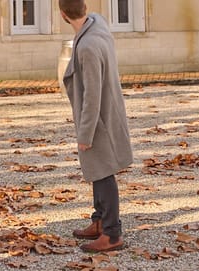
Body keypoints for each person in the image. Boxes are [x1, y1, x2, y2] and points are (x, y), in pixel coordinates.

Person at [59, 0, 133, 252]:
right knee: (97, 169)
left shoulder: (88, 47)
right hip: (108, 112)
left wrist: (85, 133)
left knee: (103, 172)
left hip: (98, 117)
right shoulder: (98, 23)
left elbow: (92, 94)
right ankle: (99, 221)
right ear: (85, 8)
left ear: (62, 15)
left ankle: (112, 234)